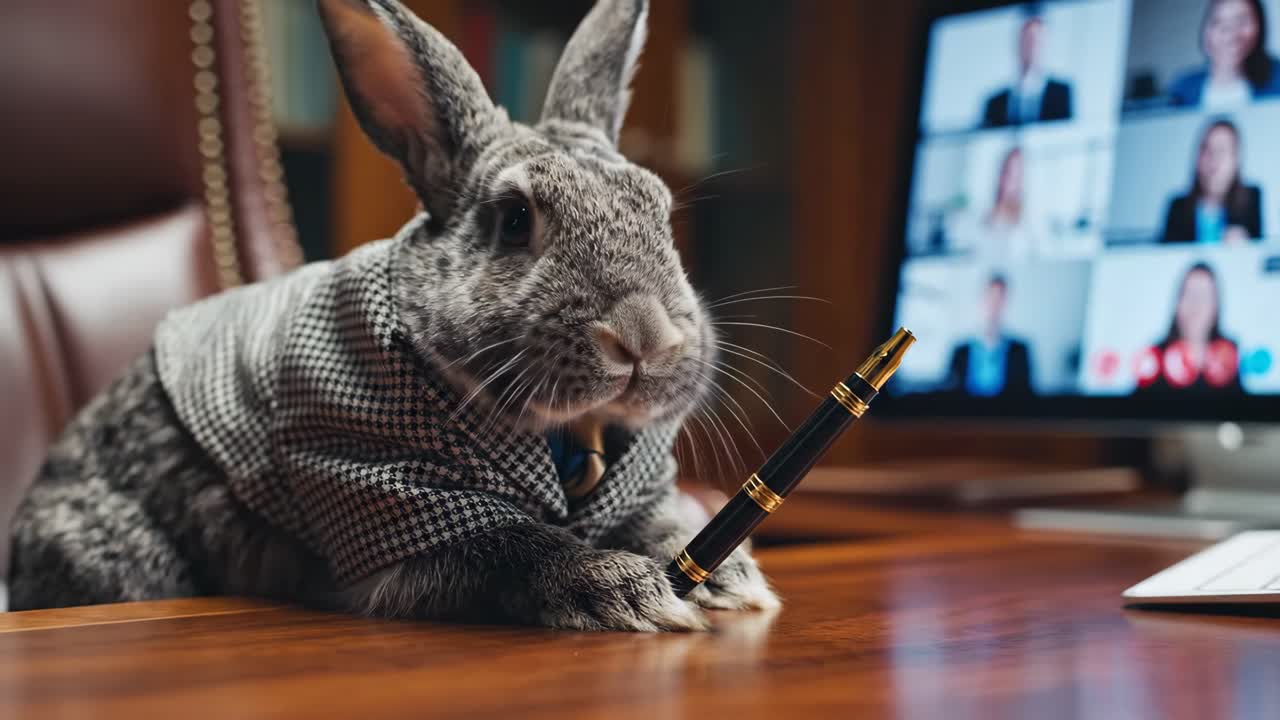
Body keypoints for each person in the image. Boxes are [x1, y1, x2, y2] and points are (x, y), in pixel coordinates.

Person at [1136, 263, 1243, 392]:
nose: (1196, 305)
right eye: (1190, 293)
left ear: (1216, 306)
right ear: (1177, 303)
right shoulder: (1156, 355)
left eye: (1203, 295)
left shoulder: (1228, 355)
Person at [1160, 119, 1263, 244]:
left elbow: (1259, 247)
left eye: (1221, 150)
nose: (1213, 158)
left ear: (1236, 159)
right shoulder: (1178, 207)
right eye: (1206, 149)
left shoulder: (1250, 199)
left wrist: (1244, 243)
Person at [1169, 0, 1280, 109]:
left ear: (1260, 27)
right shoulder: (1183, 89)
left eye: (1241, 21)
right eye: (1218, 22)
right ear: (1206, 32)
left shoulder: (1276, 78)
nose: (1231, 34)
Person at [946, 274, 1033, 397]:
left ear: (1005, 303)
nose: (994, 305)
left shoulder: (1020, 351)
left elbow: (1025, 396)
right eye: (990, 298)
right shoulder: (960, 351)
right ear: (981, 300)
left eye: (999, 299)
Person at [981, 15, 1074, 128]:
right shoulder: (995, 102)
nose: (1031, 48)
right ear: (1018, 44)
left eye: (1036, 42)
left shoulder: (1060, 93)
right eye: (1027, 41)